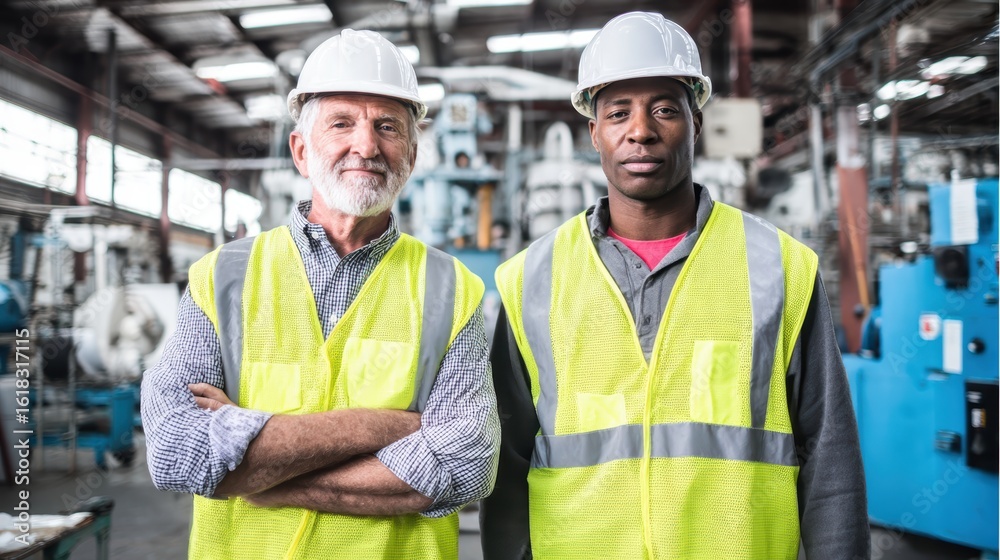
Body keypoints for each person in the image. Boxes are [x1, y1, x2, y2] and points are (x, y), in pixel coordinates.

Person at [481, 12, 869, 560]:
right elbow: (509, 463)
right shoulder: (530, 279)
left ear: (696, 121)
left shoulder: (779, 267)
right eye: (618, 112)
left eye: (665, 109)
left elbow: (830, 457)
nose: (641, 130)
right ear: (594, 131)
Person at [141, 29, 500, 560]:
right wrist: (387, 426)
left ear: (413, 152)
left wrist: (259, 478)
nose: (366, 145)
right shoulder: (223, 277)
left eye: (387, 126)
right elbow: (178, 452)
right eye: (342, 124)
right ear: (301, 151)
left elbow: (461, 467)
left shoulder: (451, 289)